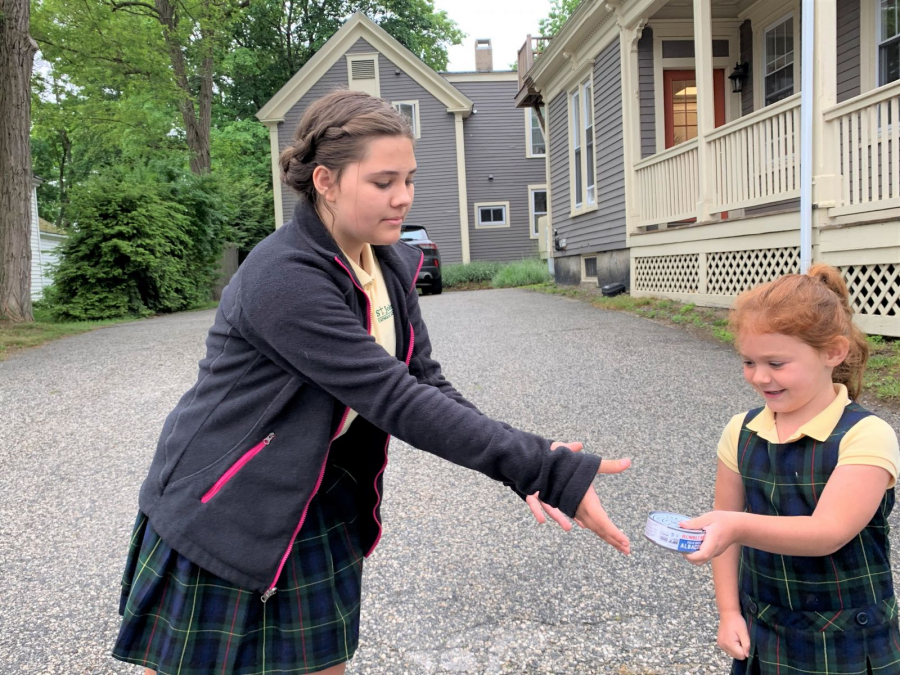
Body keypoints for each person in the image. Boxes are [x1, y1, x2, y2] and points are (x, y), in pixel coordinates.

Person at [111, 89, 631, 675]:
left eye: (408, 179)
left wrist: (541, 461)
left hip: (315, 499)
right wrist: (537, 466)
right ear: (327, 182)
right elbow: (393, 400)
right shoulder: (284, 275)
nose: (403, 198)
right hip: (226, 506)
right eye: (384, 182)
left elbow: (424, 381)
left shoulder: (385, 264)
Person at [681, 264, 900, 674]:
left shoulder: (867, 435)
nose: (759, 377)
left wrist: (735, 526)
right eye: (748, 361)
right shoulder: (741, 431)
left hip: (848, 640)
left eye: (777, 363)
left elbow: (827, 533)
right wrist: (729, 612)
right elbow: (722, 533)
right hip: (764, 629)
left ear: (832, 352)